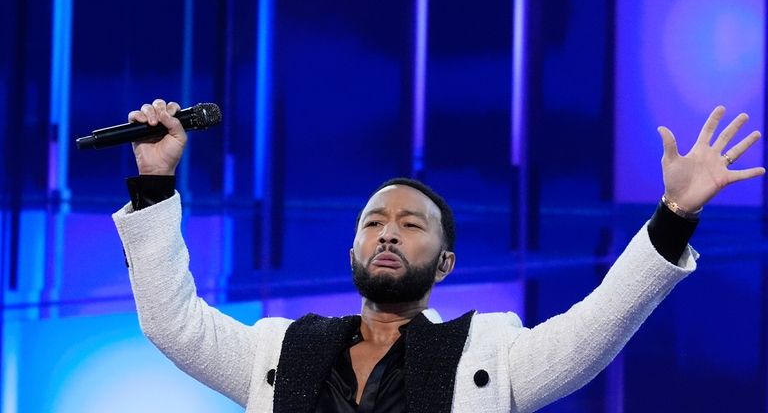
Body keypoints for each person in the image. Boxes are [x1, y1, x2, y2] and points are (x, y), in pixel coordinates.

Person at [112, 99, 764, 412]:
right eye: (374, 222)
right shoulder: (278, 350)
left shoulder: (490, 354)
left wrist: (676, 215)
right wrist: (155, 179)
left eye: (410, 224)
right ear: (354, 250)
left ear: (445, 264)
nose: (389, 232)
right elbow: (173, 323)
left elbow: (599, 326)